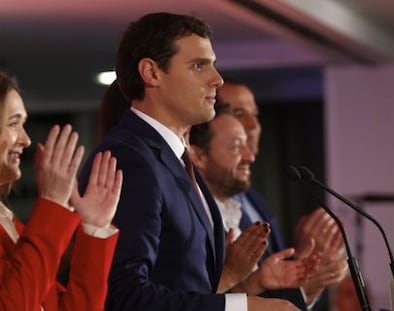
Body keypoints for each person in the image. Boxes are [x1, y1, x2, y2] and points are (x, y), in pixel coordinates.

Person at [79, 12, 299, 311]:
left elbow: (184, 285)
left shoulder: (172, 157)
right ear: (151, 73)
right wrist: (243, 308)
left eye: (212, 64)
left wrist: (243, 285)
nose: (217, 79)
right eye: (199, 66)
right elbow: (124, 297)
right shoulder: (130, 159)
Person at [216, 78, 348, 306]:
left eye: (255, 114)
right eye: (238, 113)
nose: (252, 125)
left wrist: (303, 262)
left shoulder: (253, 200)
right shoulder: (199, 208)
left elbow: (272, 293)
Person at [0, 71, 123, 310]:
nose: (26, 139)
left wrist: (93, 228)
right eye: (13, 123)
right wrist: (52, 204)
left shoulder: (8, 221)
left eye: (23, 124)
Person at [189, 105, 320, 310]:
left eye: (247, 145)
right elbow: (188, 301)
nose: (250, 156)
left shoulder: (240, 212)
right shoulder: (191, 220)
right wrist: (231, 274)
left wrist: (258, 281)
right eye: (235, 146)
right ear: (198, 156)